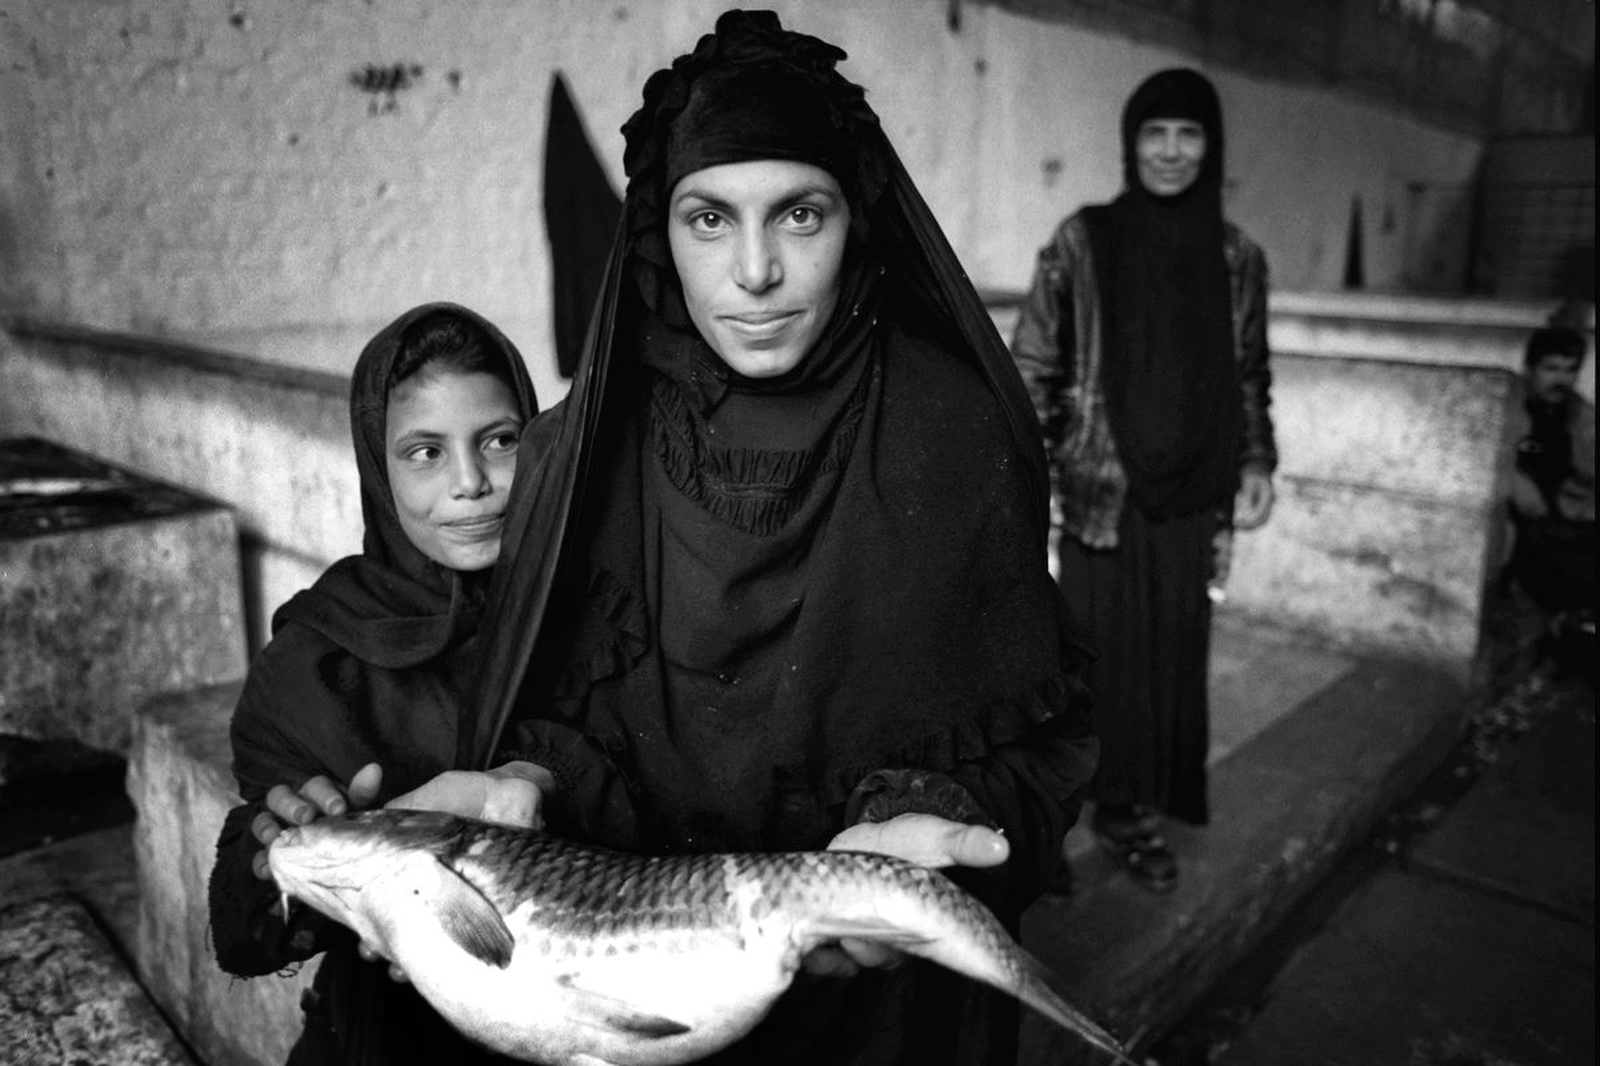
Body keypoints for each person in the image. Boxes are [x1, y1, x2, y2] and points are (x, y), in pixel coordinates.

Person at [460, 10, 1100, 1066]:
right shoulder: (583, 451)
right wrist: (519, 781)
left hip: (884, 1014)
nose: (754, 272)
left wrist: (913, 829)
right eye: (708, 220)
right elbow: (555, 712)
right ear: (656, 237)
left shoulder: (952, 430)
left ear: (858, 221)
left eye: (799, 215)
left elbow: (1029, 732)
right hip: (648, 983)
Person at [207, 303, 545, 1065]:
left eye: (499, 440)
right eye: (425, 452)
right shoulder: (316, 661)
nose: (471, 484)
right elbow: (244, 935)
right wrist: (292, 865)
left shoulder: (595, 616)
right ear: (375, 464)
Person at [1010, 68, 1276, 894]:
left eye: (1188, 134)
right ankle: (1047, 817)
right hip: (1101, 491)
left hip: (1193, 497)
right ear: (1131, 143)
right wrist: (1032, 476)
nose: (1169, 151)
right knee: (1086, 665)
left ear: (1211, 146)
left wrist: (1258, 460)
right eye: (1154, 133)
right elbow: (1034, 368)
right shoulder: (1082, 241)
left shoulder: (1235, 256)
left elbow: (1249, 373)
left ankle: (1130, 810)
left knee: (1166, 664)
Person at [1504, 324, 1594, 639]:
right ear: (1529, 369)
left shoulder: (1578, 413)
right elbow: (1488, 457)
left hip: (1568, 513)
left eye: (1570, 370)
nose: (1561, 379)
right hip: (1525, 518)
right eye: (1551, 368)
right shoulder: (1508, 405)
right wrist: (1513, 481)